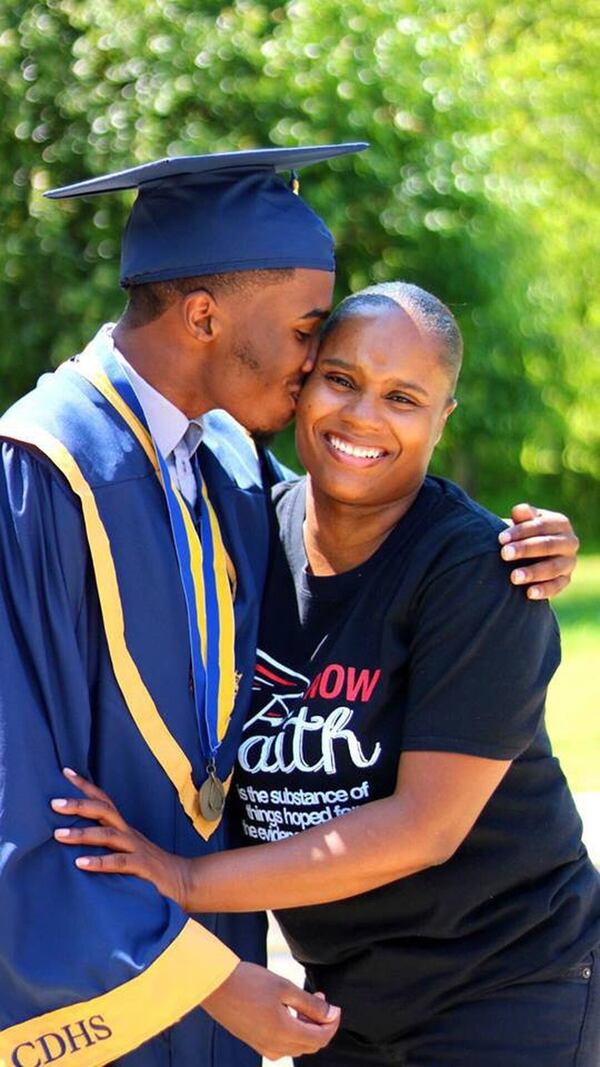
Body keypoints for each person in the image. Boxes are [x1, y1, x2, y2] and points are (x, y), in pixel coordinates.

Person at [0, 143, 579, 1067]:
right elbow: (19, 787)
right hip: (178, 981)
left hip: (477, 995)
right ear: (203, 317)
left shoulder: (229, 474)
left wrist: (535, 547)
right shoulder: (54, 478)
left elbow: (426, 820)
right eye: (317, 338)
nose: (321, 375)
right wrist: (205, 970)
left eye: (400, 394)